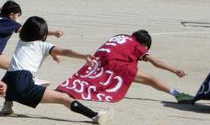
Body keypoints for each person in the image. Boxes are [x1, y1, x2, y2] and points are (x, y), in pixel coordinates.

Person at [0, 16, 113, 124]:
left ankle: (7, 104)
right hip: (22, 83)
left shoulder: (21, 41)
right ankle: (95, 115)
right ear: (42, 33)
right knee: (63, 98)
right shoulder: (44, 46)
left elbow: (31, 32)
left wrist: (52, 40)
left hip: (6, 83)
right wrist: (83, 56)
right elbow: (65, 52)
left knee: (36, 83)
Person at [57, 30, 194, 103]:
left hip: (97, 60)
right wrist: (175, 70)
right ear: (145, 45)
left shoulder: (121, 37)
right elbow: (155, 62)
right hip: (115, 65)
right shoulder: (138, 45)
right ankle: (178, 94)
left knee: (87, 79)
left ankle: (65, 91)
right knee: (150, 79)